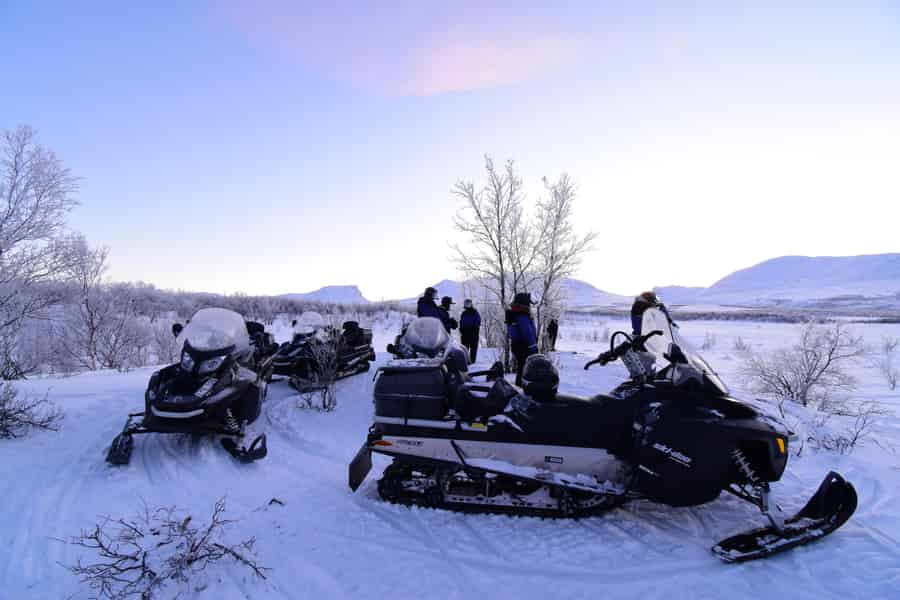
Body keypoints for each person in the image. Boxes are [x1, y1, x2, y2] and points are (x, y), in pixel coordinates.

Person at [506, 292, 538, 386]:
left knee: (521, 366)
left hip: (517, 344)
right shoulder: (522, 316)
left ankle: (519, 385)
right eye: (528, 303)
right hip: (524, 346)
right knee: (524, 367)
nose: (529, 306)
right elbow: (528, 333)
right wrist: (533, 347)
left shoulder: (515, 314)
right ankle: (521, 386)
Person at [459, 299, 481, 364]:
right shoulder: (464, 313)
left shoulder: (475, 313)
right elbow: (461, 322)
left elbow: (478, 321)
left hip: (473, 332)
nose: (467, 305)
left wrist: (475, 329)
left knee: (473, 348)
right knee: (464, 348)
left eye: (468, 304)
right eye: (466, 304)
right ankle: (465, 361)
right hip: (465, 333)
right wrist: (461, 329)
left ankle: (472, 361)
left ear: (471, 304)